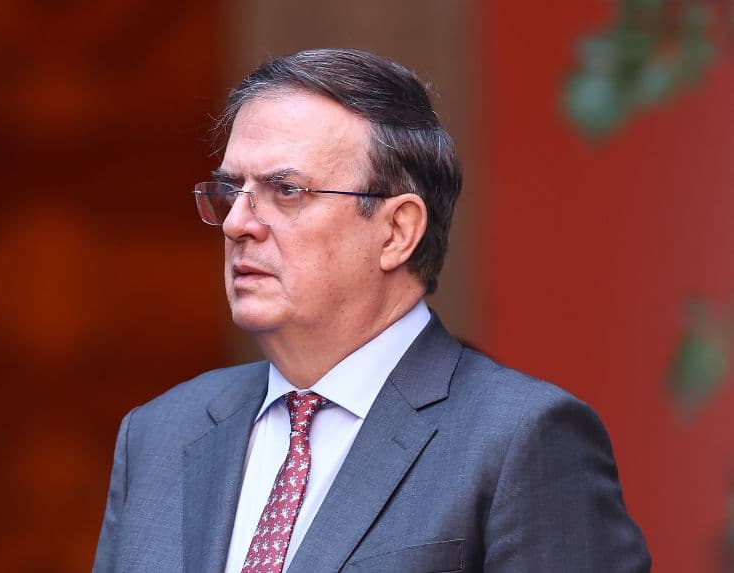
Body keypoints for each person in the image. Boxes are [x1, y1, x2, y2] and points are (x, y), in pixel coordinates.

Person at [92, 48, 651, 572]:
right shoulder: (159, 434)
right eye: (232, 189)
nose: (238, 222)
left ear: (396, 231)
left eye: (285, 190)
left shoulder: (521, 438)